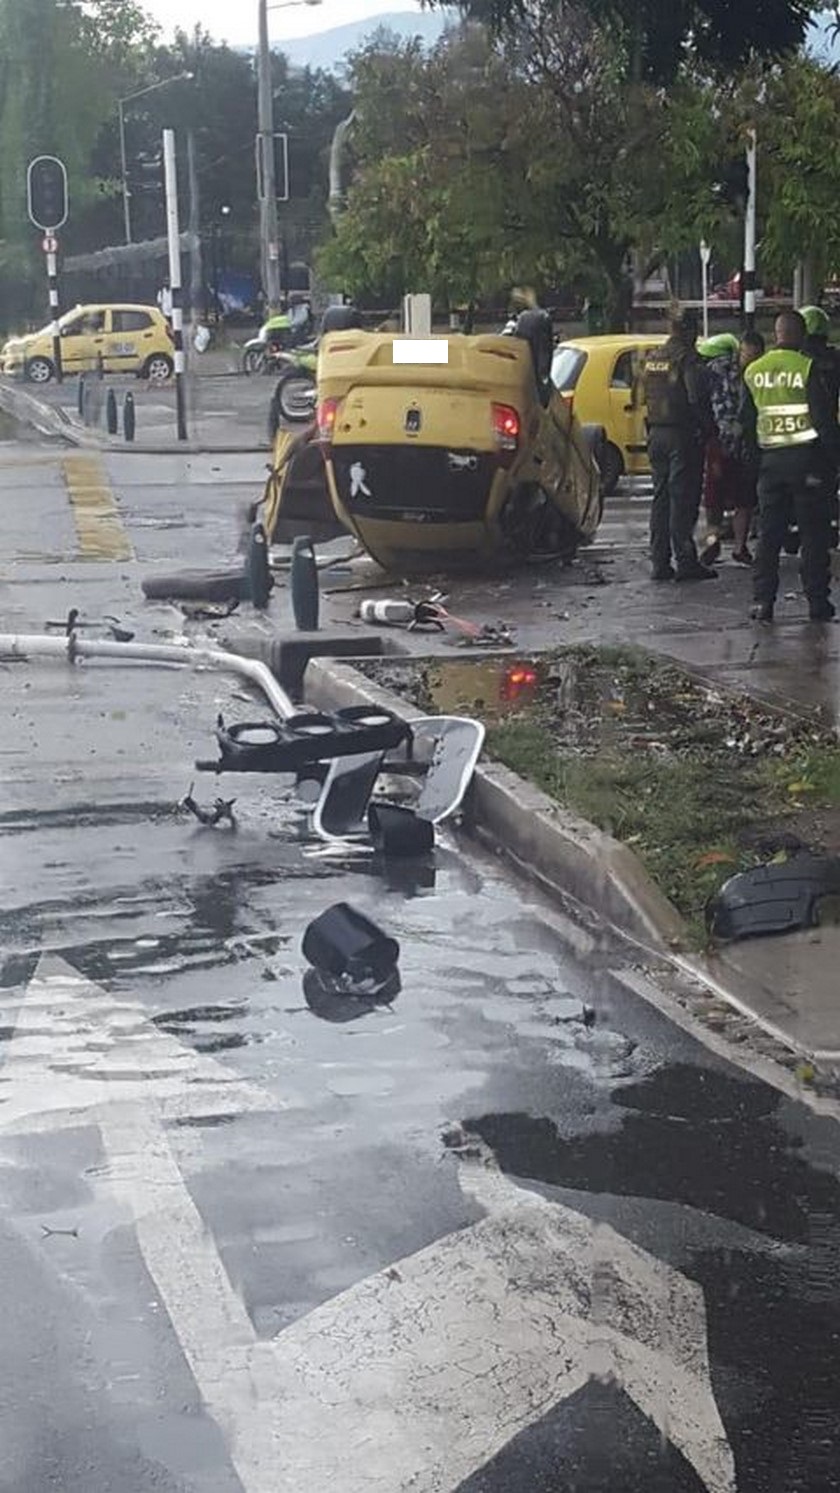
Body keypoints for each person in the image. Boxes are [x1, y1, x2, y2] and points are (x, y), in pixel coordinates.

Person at [741, 309, 839, 623]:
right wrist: (834, 462)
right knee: (813, 535)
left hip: (770, 464)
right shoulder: (806, 367)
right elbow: (823, 421)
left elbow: (746, 423)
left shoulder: (754, 371)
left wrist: (756, 464)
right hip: (806, 462)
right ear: (800, 335)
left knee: (769, 536)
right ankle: (817, 602)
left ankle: (762, 602)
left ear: (776, 334)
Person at [643, 307, 716, 581]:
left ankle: (660, 562)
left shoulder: (653, 357)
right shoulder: (686, 358)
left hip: (656, 433)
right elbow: (695, 397)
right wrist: (708, 428)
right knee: (682, 500)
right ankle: (686, 561)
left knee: (661, 500)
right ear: (689, 331)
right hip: (682, 436)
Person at [698, 331, 765, 566]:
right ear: (740, 351)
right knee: (713, 499)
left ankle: (739, 547)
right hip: (719, 440)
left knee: (744, 499)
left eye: (755, 356)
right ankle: (712, 544)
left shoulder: (760, 373)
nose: (750, 360)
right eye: (747, 354)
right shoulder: (719, 369)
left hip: (746, 443)